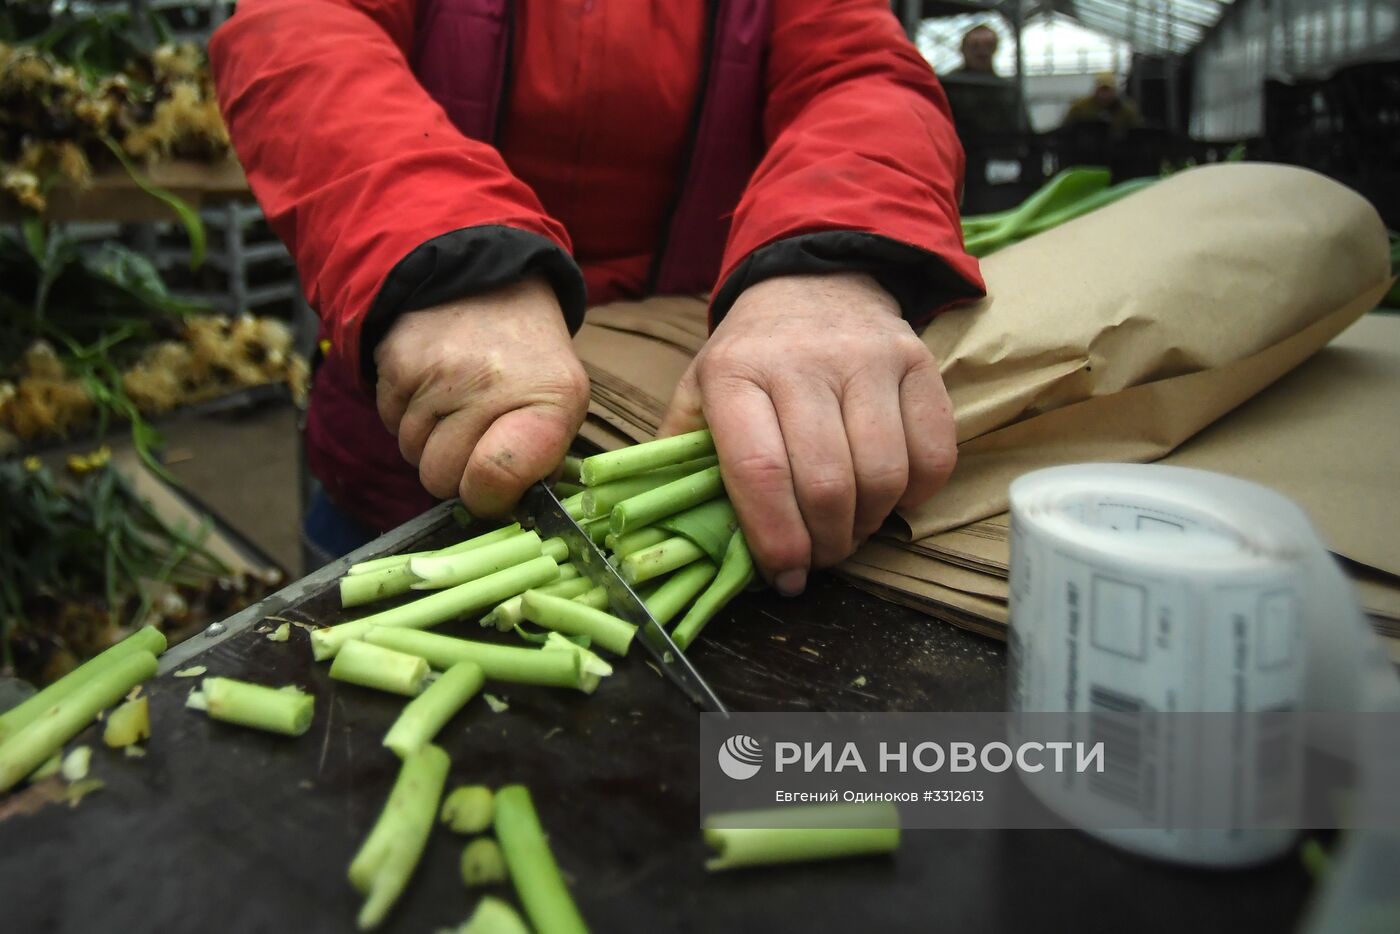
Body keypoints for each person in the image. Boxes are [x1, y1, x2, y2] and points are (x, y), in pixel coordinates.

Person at [209, 0, 985, 596]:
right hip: (400, 468)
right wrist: (451, 257)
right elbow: (298, 28)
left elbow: (861, 76)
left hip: (680, 475)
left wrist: (823, 266)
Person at [941, 23, 1026, 140]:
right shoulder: (949, 86)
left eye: (989, 45)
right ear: (963, 50)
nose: (982, 52)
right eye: (975, 46)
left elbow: (1022, 127)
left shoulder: (1007, 89)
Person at [1063, 72, 1143, 138]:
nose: (1105, 94)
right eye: (1102, 90)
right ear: (1095, 90)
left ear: (1114, 91)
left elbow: (1137, 131)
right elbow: (1066, 128)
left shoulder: (1126, 110)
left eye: (1108, 90)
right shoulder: (1080, 108)